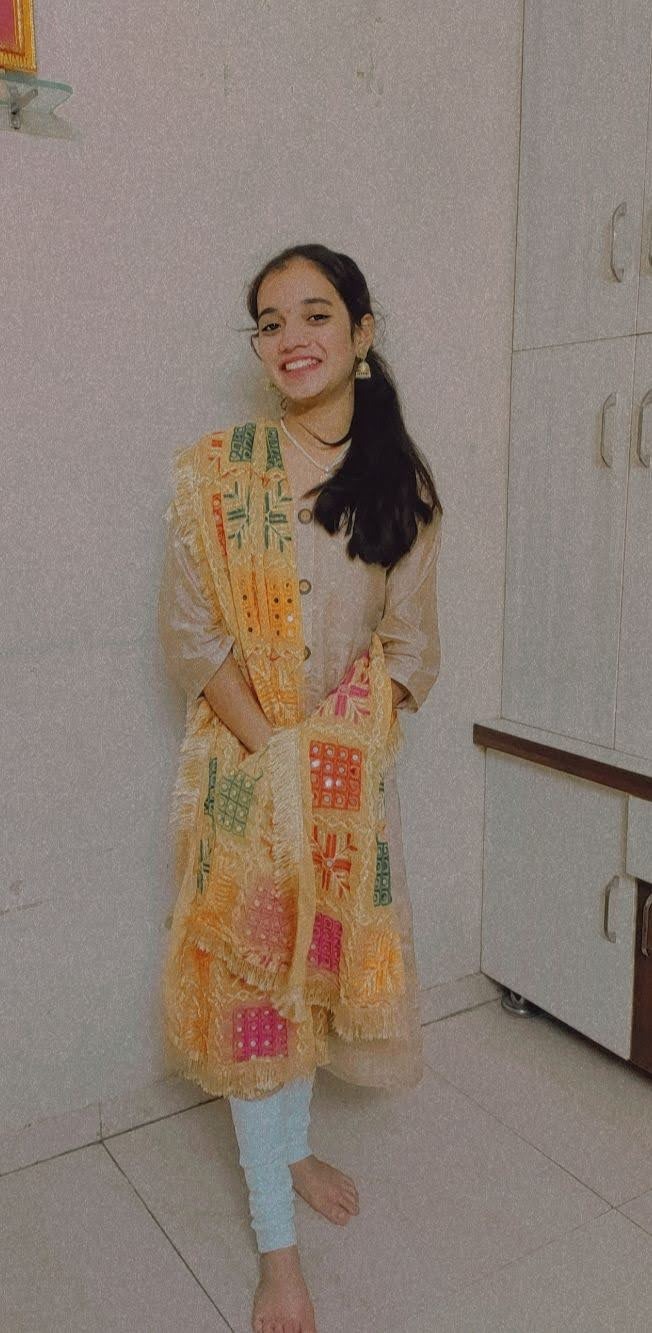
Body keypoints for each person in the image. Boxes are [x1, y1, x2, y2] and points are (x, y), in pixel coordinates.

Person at [157, 243, 443, 1333]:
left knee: (311, 976)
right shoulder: (216, 473)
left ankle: (297, 1146)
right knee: (252, 1001)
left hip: (343, 785)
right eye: (270, 322)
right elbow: (193, 638)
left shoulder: (401, 486)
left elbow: (409, 648)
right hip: (245, 779)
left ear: (362, 333)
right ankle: (276, 1246)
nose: (291, 338)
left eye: (315, 314)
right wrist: (275, 756)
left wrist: (327, 758)